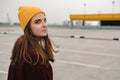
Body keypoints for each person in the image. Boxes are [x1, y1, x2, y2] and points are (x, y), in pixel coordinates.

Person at [8, 6, 58, 80]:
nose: (45, 25)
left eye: (44, 20)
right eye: (37, 22)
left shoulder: (22, 49)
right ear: (28, 27)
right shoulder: (34, 58)